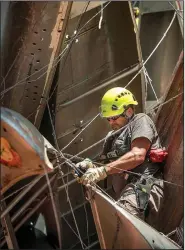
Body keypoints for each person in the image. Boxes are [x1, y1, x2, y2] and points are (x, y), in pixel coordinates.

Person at [75, 87, 167, 229]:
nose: (111, 122)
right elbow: (105, 162)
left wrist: (102, 171)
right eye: (108, 119)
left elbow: (137, 155)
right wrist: (89, 166)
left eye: (114, 117)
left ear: (128, 111)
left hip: (145, 185)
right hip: (126, 191)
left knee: (125, 219)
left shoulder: (140, 121)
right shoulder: (112, 137)